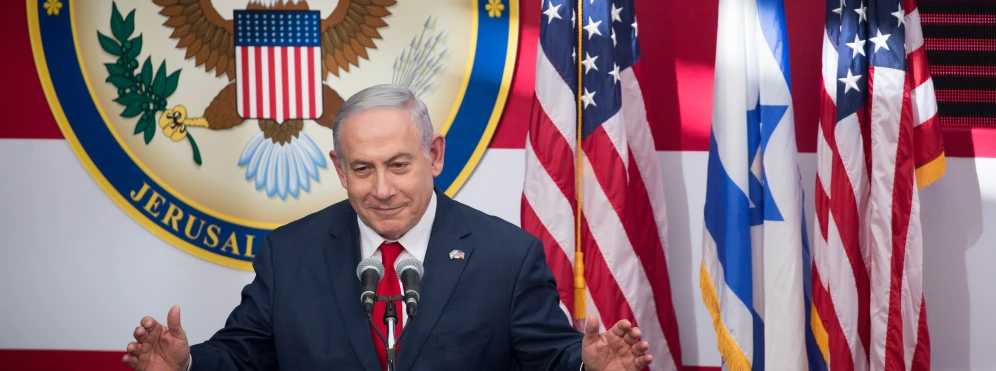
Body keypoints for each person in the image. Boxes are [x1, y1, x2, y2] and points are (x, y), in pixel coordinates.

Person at [123, 84, 653, 370]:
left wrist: (591, 369)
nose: (381, 188)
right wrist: (187, 365)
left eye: (399, 164)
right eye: (361, 169)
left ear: (435, 155)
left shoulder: (506, 256)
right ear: (338, 169)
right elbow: (242, 354)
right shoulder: (290, 254)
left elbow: (549, 358)